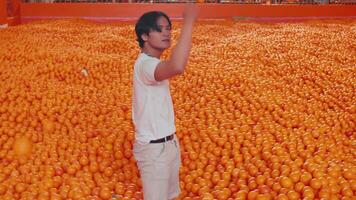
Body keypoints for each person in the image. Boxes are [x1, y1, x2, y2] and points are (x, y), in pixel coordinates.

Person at [132, 5, 199, 200]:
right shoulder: (145, 65)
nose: (167, 32)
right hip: (154, 150)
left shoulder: (154, 63)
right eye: (160, 28)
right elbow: (177, 66)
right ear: (145, 36)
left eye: (169, 28)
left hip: (168, 144)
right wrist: (189, 22)